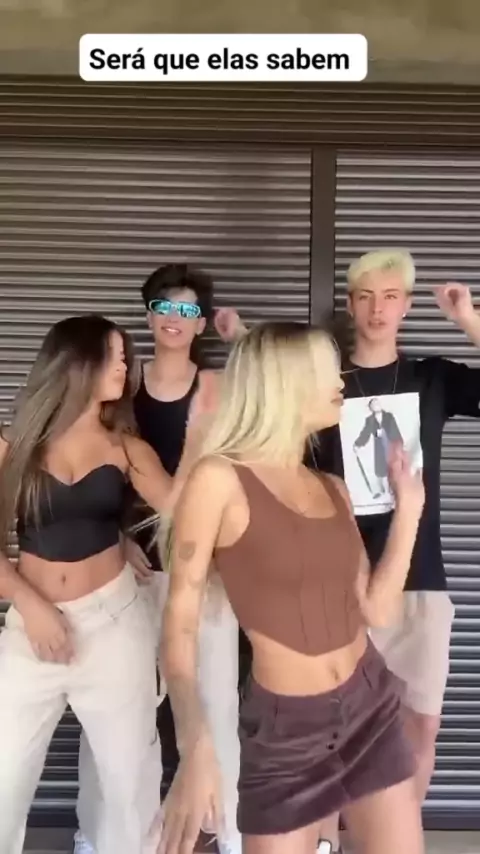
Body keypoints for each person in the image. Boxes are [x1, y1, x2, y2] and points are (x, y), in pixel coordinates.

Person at [156, 321, 426, 854]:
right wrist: (195, 742)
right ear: (287, 382)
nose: (342, 380)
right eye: (328, 370)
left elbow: (378, 610)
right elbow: (178, 625)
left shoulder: (334, 489)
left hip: (369, 706)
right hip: (286, 733)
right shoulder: (219, 480)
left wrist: (409, 510)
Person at [0, 314, 197, 854]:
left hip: (114, 623)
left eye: (124, 357)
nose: (124, 367)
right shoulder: (12, 447)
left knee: (129, 783)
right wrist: (30, 604)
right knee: (4, 776)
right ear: (77, 362)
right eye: (114, 356)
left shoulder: (127, 448)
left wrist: (206, 431)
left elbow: (186, 512)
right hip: (29, 631)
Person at [309, 248, 480, 848]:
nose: (377, 309)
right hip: (337, 583)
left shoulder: (431, 377)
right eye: (365, 297)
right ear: (351, 303)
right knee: (327, 733)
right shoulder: (324, 384)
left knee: (418, 728)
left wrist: (468, 318)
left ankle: (392, 840)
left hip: (421, 582)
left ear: (406, 305)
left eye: (389, 297)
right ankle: (325, 842)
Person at [74, 264, 245, 854]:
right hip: (128, 573)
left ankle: (229, 833)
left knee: (216, 706)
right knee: (117, 711)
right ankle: (102, 835)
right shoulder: (120, 388)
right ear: (148, 316)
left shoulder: (218, 388)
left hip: (207, 574)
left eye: (187, 310)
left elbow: (246, 466)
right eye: (164, 307)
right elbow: (92, 471)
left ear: (201, 324)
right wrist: (118, 539)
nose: (175, 319)